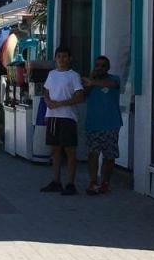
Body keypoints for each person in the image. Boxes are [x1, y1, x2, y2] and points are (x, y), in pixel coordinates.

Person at [40, 46, 83, 195]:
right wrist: (47, 101)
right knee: (55, 150)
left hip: (68, 117)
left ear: (69, 58)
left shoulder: (74, 76)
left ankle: (71, 183)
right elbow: (45, 91)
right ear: (56, 59)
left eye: (65, 56)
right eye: (59, 56)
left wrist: (60, 103)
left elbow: (79, 96)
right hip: (52, 117)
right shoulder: (51, 74)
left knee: (70, 150)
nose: (62, 59)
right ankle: (56, 181)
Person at [82, 55, 122, 195]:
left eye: (103, 66)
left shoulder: (114, 79)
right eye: (97, 65)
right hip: (93, 124)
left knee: (109, 156)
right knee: (92, 155)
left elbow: (112, 86)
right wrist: (91, 82)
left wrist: (93, 83)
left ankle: (105, 183)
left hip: (111, 124)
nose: (100, 68)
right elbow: (83, 96)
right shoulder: (90, 82)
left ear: (108, 68)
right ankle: (93, 182)